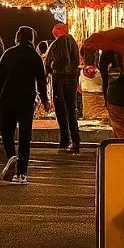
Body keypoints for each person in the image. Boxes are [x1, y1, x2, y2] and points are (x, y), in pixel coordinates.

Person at [0, 26, 50, 184]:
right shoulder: (35, 56)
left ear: (17, 38)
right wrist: (45, 100)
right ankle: (22, 173)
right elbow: (41, 81)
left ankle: (12, 157)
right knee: (25, 137)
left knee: (6, 131)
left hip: (8, 98)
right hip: (26, 99)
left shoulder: (9, 53)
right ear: (31, 39)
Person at [44, 22, 81, 153]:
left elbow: (62, 59)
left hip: (60, 78)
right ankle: (75, 141)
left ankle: (65, 141)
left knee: (61, 110)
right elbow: (75, 61)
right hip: (71, 79)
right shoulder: (73, 42)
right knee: (71, 110)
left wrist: (52, 67)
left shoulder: (61, 41)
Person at [80, 48, 108, 123]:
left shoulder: (81, 72)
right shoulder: (99, 72)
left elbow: (79, 87)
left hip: (87, 102)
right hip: (99, 102)